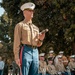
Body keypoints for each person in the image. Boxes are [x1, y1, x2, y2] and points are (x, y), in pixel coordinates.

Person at [13, 2, 46, 75]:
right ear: (24, 12)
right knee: (24, 72)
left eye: (32, 11)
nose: (32, 12)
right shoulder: (20, 25)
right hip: (25, 51)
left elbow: (38, 44)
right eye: (30, 11)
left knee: (34, 73)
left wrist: (41, 39)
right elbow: (16, 42)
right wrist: (16, 57)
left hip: (35, 51)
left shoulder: (36, 28)